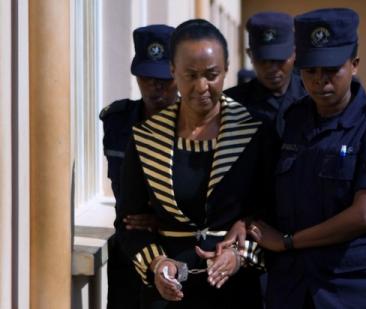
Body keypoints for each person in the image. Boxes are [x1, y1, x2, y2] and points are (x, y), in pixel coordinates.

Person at [219, 8, 366, 308]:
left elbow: (365, 215)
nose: (320, 81)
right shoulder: (293, 121)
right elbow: (272, 191)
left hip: (357, 285)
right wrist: (248, 221)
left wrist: (287, 241)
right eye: (310, 70)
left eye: (332, 69)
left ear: (354, 65)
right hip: (296, 287)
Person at [115, 19, 276, 309]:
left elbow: (272, 213)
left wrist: (239, 256)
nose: (202, 86)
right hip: (166, 295)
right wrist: (157, 263)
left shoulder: (254, 131)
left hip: (236, 292)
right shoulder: (146, 136)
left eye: (212, 74)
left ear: (226, 69)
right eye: (190, 75)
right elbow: (129, 223)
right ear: (173, 72)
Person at [99, 24, 178, 309]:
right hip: (127, 251)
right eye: (146, 78)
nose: (155, 87)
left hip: (173, 250)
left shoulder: (195, 127)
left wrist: (163, 220)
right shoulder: (117, 121)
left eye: (163, 79)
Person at [224, 11, 306, 135]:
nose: (271, 68)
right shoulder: (231, 105)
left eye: (279, 59)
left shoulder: (314, 98)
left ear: (294, 53)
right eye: (262, 60)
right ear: (250, 55)